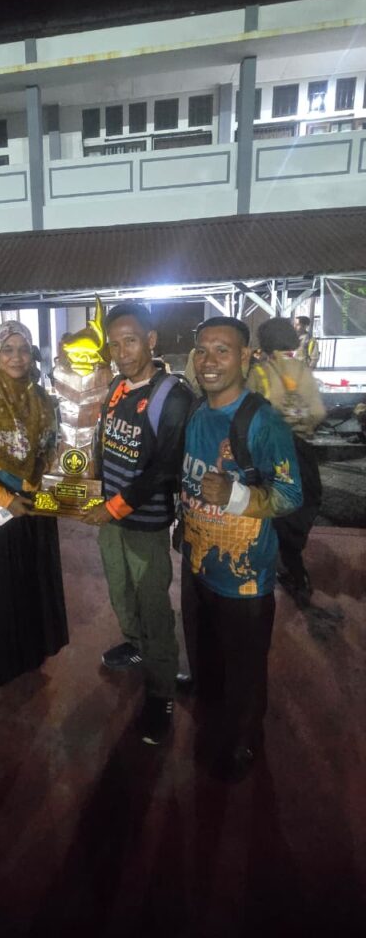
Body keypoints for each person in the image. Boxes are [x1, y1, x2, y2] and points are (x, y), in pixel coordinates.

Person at [181, 316, 302, 780]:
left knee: (245, 673)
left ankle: (244, 743)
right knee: (208, 661)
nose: (209, 361)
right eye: (202, 350)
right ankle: (214, 721)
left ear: (246, 356)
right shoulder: (197, 410)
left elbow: (291, 495)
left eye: (222, 350)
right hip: (198, 564)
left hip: (245, 578)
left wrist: (234, 496)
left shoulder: (263, 421)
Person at [82, 302, 192, 745]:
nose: (121, 352)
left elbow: (165, 468)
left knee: (153, 607)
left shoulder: (173, 396)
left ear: (151, 340)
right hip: (109, 516)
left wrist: (113, 507)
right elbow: (104, 444)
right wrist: (86, 483)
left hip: (144, 523)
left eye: (130, 341)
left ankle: (162, 693)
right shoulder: (117, 386)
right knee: (120, 592)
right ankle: (136, 644)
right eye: (114, 344)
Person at [0, 321, 68, 686]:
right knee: (2, 588)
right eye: (8, 349)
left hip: (37, 504)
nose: (17, 357)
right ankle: (1, 659)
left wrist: (49, 485)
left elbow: (50, 448)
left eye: (23, 350)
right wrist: (7, 499)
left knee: (34, 581)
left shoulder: (40, 395)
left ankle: (33, 649)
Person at [247, 317, 326, 605]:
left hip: (272, 453)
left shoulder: (259, 373)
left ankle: (263, 571)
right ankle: (295, 570)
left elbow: (249, 414)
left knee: (270, 510)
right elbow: (318, 413)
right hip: (301, 451)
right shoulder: (302, 370)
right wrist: (300, 424)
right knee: (302, 505)